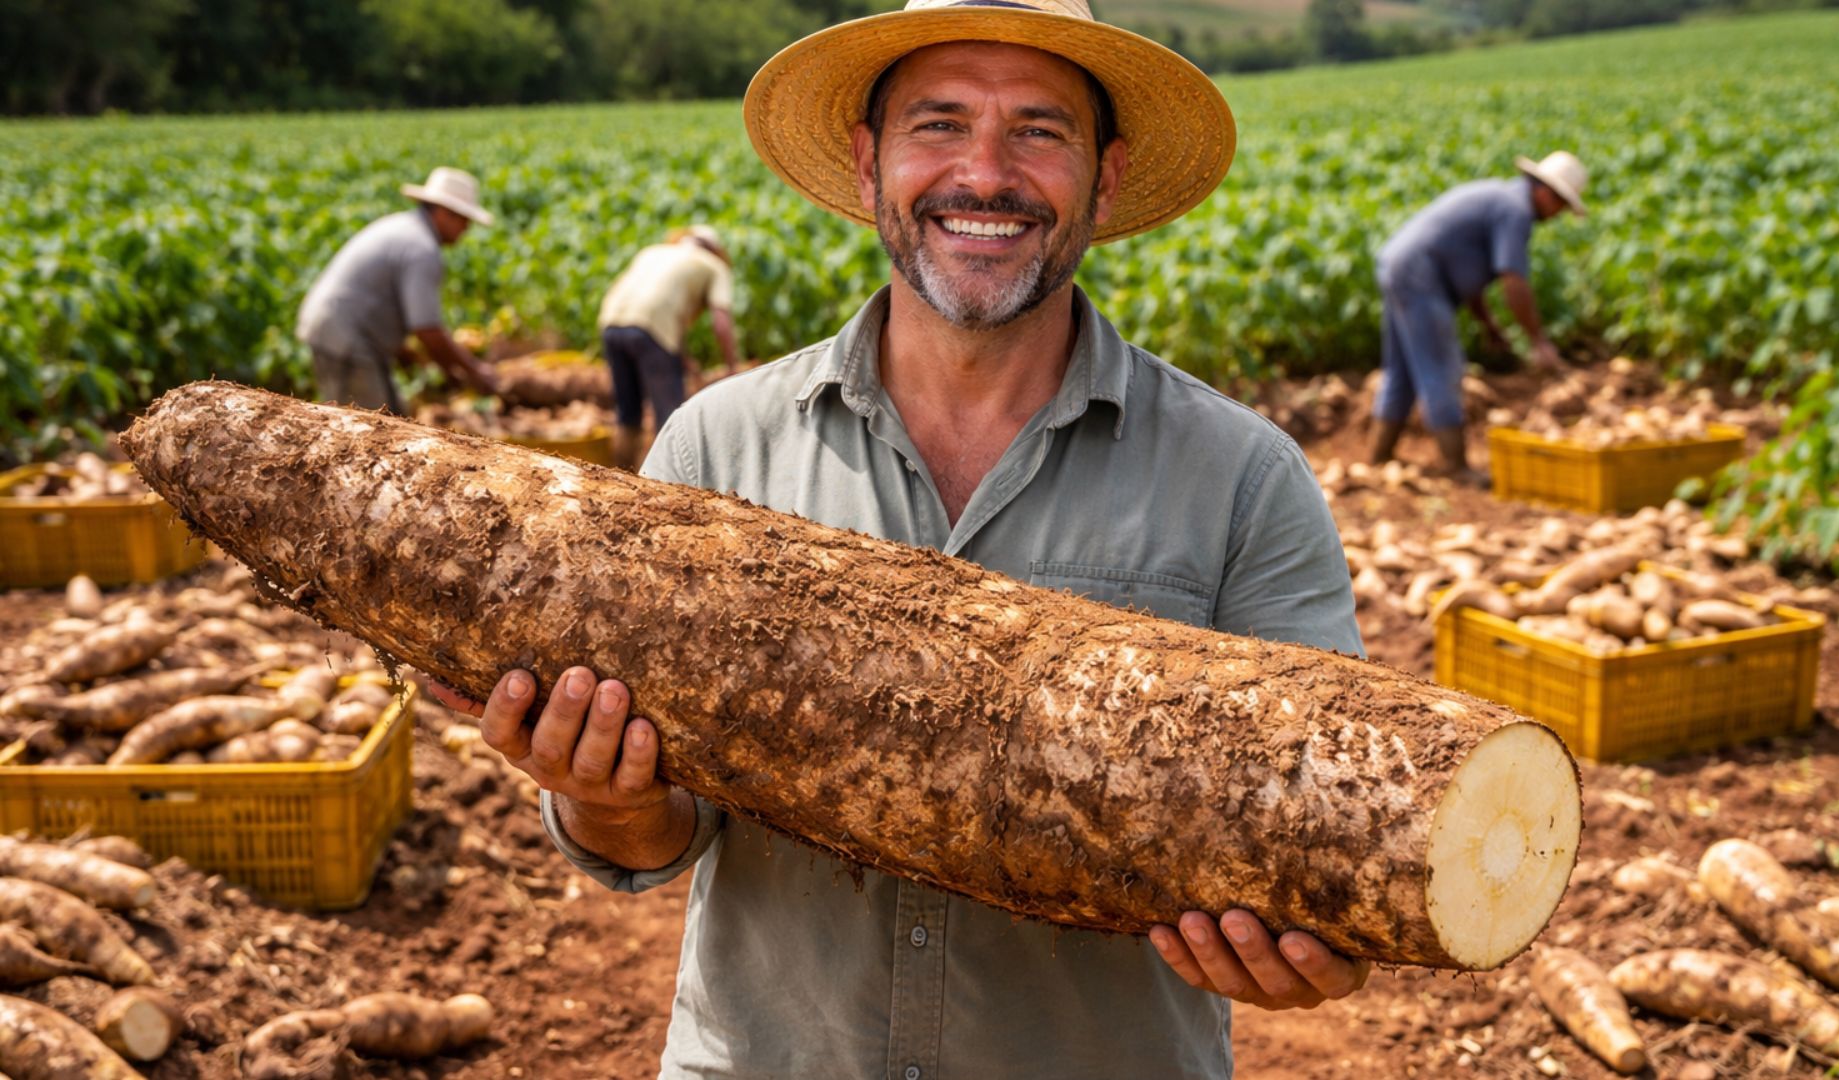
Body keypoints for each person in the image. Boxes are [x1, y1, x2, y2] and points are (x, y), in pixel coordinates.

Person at [431, 0, 1368, 1074]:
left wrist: (1323, 941)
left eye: (1038, 130)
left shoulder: (1243, 477)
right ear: (869, 159)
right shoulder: (715, 452)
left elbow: (1328, 831)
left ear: (1104, 179)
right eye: (939, 123)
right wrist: (605, 796)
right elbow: (657, 837)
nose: (985, 172)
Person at [1369, 151, 1589, 485]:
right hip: (1421, 277)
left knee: (1402, 369)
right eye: (1560, 206)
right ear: (1547, 193)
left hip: (1401, 265)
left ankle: (1378, 455)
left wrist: (1489, 325)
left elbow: (1469, 273)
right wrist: (1538, 341)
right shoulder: (1515, 211)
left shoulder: (1500, 199)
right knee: (1442, 367)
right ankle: (1455, 465)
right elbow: (1514, 281)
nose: (1557, 215)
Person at [296, 166, 499, 414]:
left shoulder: (404, 228)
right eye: (464, 220)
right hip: (346, 336)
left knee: (390, 418)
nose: (466, 229)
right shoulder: (422, 249)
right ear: (445, 213)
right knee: (368, 430)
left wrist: (408, 355)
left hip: (340, 329)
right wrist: (472, 371)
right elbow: (427, 329)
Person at [597, 226, 742, 470]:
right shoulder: (714, 266)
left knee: (628, 412)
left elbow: (658, 305)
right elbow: (721, 324)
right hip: (652, 329)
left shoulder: (652, 252)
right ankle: (667, 486)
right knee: (670, 418)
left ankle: (619, 477)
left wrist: (682, 357)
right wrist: (732, 367)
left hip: (611, 323)